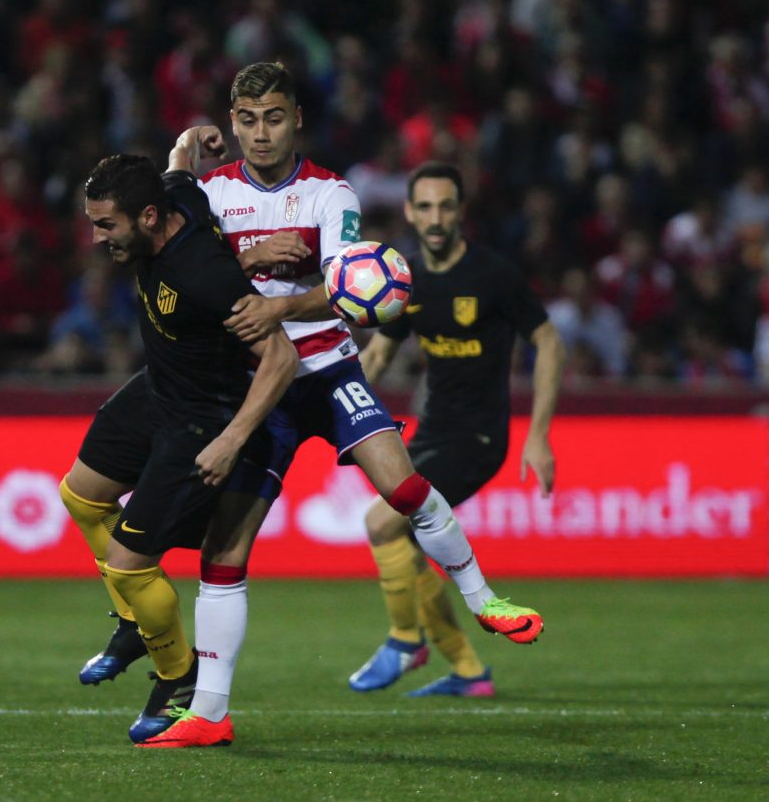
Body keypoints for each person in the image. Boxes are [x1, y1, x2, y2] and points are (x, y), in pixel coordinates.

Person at [80, 62, 546, 748]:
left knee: (406, 486)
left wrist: (283, 306)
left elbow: (355, 285)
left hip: (326, 367)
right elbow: (187, 257)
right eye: (247, 121)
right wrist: (197, 164)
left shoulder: (331, 195)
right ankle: (208, 712)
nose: (260, 134)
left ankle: (485, 599)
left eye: (273, 118)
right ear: (232, 123)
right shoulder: (209, 193)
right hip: (259, 385)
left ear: (296, 118)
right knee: (224, 554)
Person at [58, 153, 298, 744]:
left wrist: (231, 439)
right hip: (157, 388)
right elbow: (183, 163)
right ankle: (137, 624)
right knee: (81, 496)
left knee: (127, 562)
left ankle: (179, 679)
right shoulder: (175, 195)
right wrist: (191, 140)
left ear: (146, 217)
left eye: (106, 225)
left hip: (200, 419)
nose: (97, 238)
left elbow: (281, 359)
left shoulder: (205, 273)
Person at [348, 161, 566, 698]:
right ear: (409, 211)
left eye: (446, 206)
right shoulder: (406, 278)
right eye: (425, 207)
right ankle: (469, 672)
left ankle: (405, 641)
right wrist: (336, 403)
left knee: (382, 523)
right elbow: (379, 354)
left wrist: (538, 435)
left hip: (479, 438)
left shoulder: (493, 276)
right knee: (412, 549)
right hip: (428, 433)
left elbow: (550, 343)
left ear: (461, 211)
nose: (436, 217)